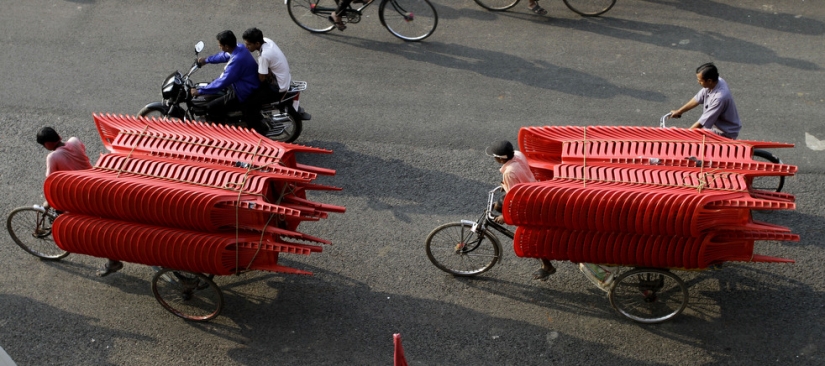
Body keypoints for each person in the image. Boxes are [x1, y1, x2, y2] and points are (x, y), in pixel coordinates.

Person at [36, 127, 122, 277]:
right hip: (97, 184)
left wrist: (48, 202)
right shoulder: (74, 141)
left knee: (92, 231)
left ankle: (113, 261)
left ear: (47, 144)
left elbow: (51, 181)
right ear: (59, 135)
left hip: (83, 196)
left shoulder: (53, 157)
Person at [487, 140, 556, 281]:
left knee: (530, 239)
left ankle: (547, 266)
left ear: (501, 159)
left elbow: (515, 200)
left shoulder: (509, 173)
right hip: (532, 188)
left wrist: (506, 217)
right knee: (498, 206)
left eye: (495, 157)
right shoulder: (518, 155)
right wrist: (505, 186)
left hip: (528, 203)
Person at [191, 30, 262, 131]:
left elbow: (223, 81)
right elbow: (224, 56)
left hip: (244, 91)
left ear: (227, 46)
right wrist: (206, 60)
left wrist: (200, 91)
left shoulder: (237, 61)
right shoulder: (240, 47)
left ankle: (224, 131)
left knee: (212, 107)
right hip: (243, 83)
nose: (219, 47)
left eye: (220, 45)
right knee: (216, 88)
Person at [669, 62, 742, 139]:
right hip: (715, 127)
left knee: (693, 140)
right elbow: (697, 98)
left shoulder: (720, 98)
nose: (698, 82)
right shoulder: (716, 82)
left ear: (709, 81)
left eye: (700, 80)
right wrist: (680, 111)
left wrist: (684, 136)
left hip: (724, 132)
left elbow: (702, 122)